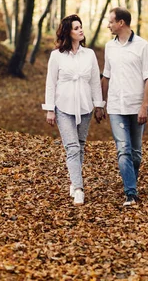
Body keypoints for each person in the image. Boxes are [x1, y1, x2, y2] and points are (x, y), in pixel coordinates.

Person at [95, 7, 148, 206]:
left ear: (121, 23)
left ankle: (131, 182)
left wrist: (144, 105)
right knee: (123, 150)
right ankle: (130, 193)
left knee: (136, 154)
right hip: (115, 107)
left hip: (136, 106)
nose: (108, 25)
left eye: (111, 21)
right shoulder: (109, 47)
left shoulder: (142, 46)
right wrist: (101, 104)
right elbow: (106, 76)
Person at [42, 14, 105, 206]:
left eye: (81, 26)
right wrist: (50, 109)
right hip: (63, 107)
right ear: (68, 32)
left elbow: (95, 81)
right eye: (76, 27)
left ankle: (73, 178)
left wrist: (99, 105)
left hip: (85, 106)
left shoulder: (90, 54)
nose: (80, 30)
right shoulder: (56, 56)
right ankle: (78, 188)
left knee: (80, 145)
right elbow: (51, 83)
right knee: (72, 148)